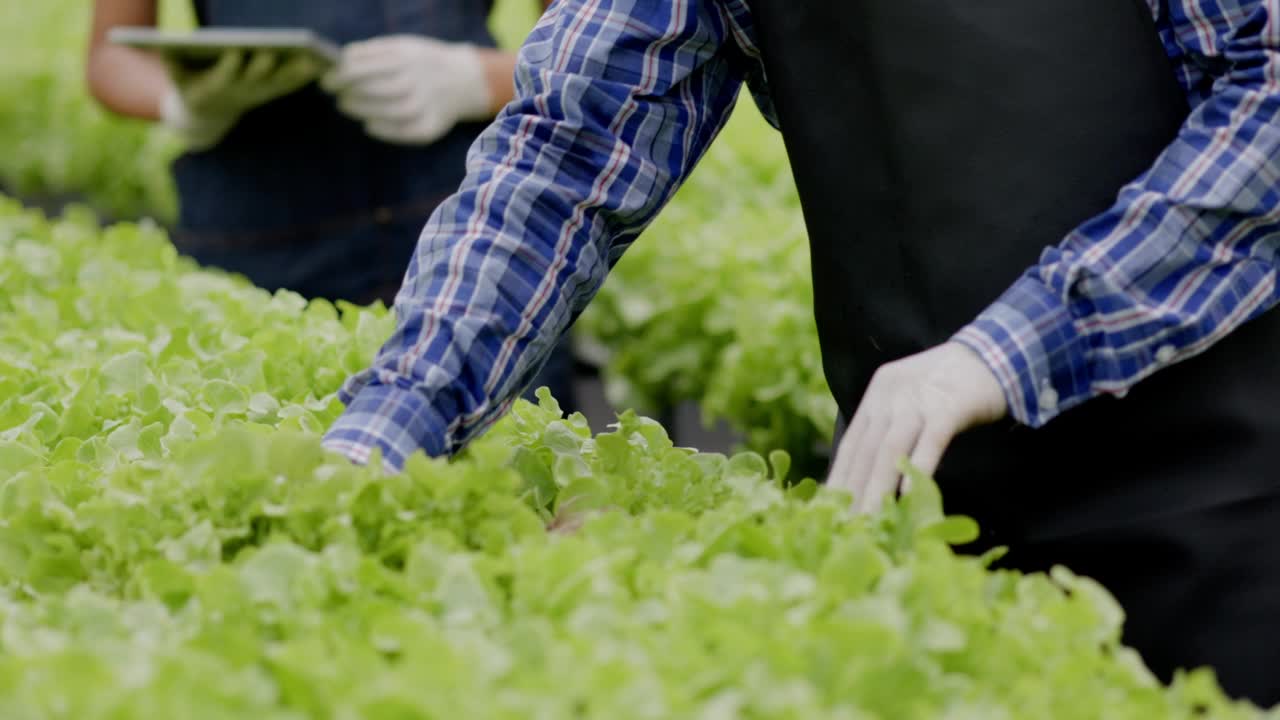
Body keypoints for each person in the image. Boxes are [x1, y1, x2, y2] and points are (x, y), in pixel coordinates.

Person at [321, 0, 1280, 706]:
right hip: (931, 520)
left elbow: (1268, 106)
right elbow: (569, 152)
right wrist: (388, 428)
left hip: (1218, 506)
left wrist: (1009, 349)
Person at [85, 0, 575, 411]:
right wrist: (180, 103)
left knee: (518, 483)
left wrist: (478, 79)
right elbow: (110, 55)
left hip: (470, 228)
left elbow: (598, 44)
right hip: (255, 235)